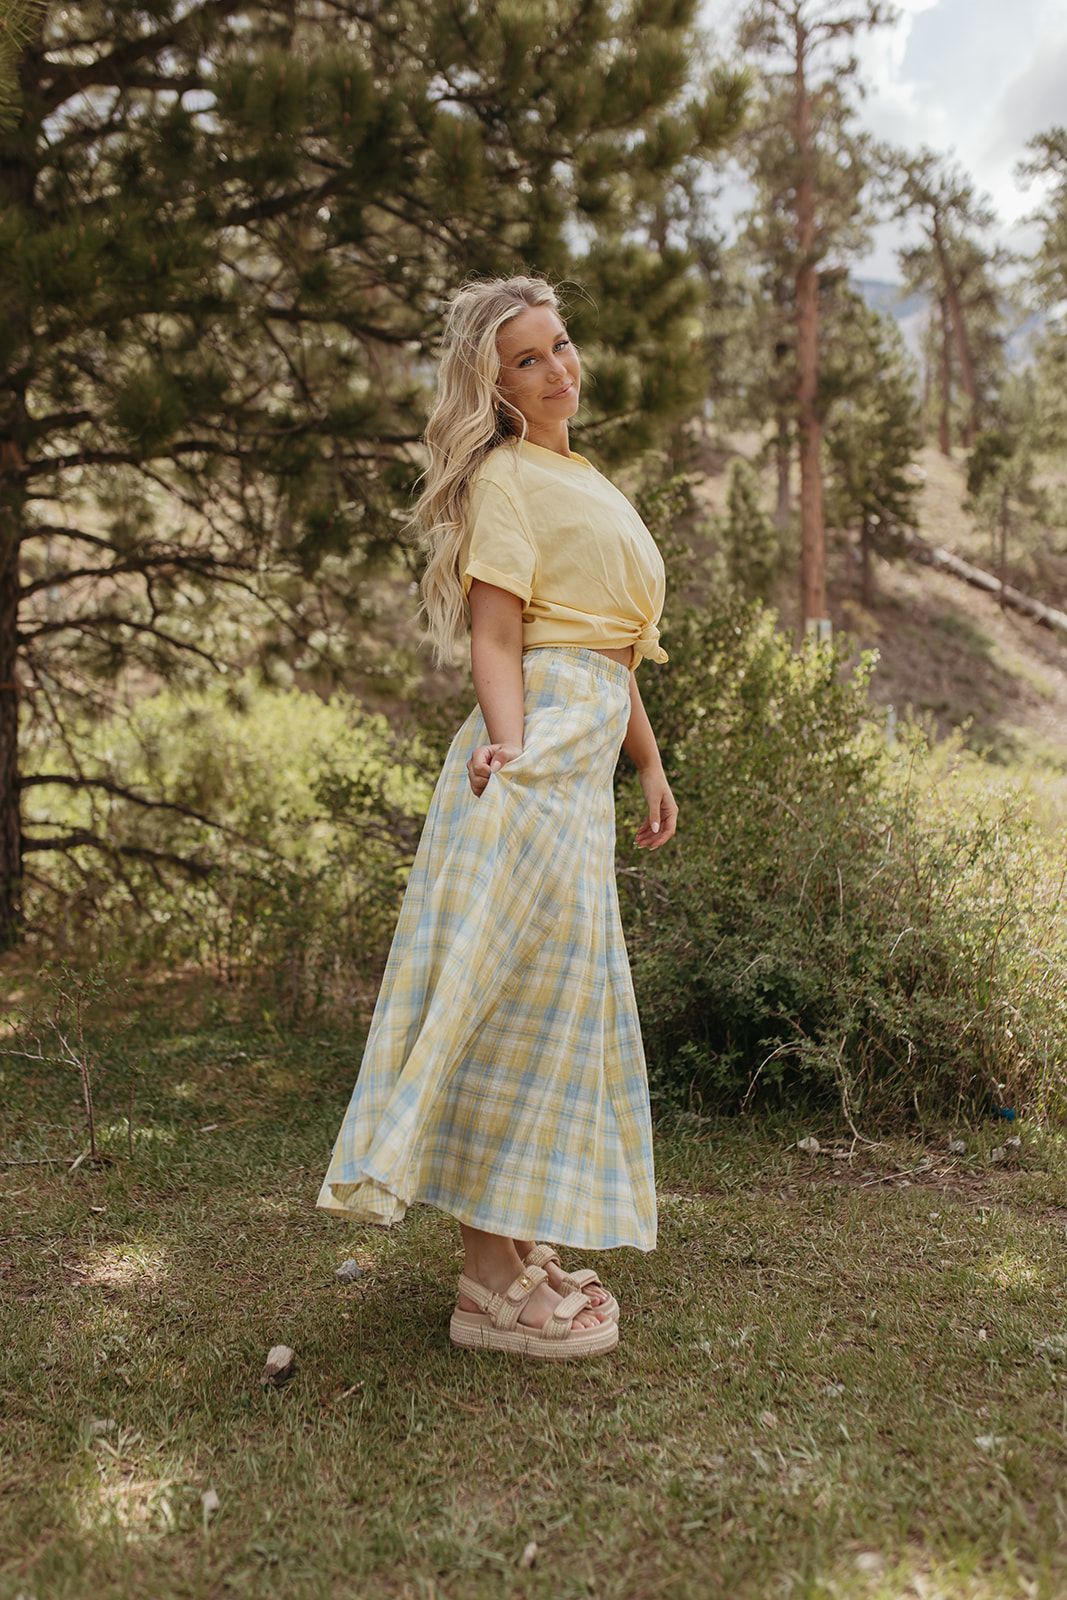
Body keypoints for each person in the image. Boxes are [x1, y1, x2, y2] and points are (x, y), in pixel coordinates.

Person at [316, 273, 678, 1359]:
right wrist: (512, 749)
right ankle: (485, 1281)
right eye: (528, 358)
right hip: (534, 748)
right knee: (509, 990)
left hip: (580, 739)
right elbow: (498, 633)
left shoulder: (579, 476)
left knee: (548, 997)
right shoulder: (505, 478)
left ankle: (512, 1245)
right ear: (495, 385)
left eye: (560, 343)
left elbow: (610, 650)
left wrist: (648, 765)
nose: (557, 367)